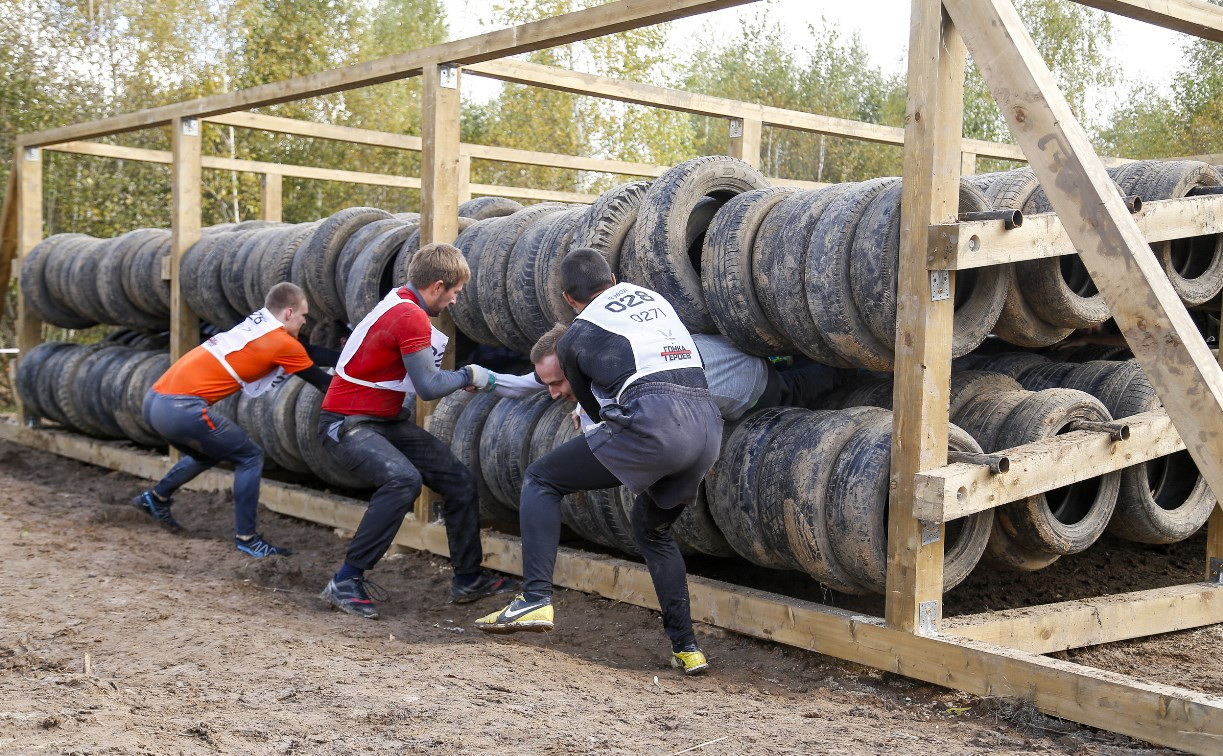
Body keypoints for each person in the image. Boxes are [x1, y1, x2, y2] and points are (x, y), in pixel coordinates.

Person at [475, 248, 723, 676]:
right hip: (707, 425)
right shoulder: (656, 299)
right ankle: (688, 648)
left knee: (541, 480)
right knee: (653, 531)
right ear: (612, 276)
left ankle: (534, 599)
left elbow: (593, 407)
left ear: (569, 300)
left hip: (657, 426)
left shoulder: (575, 336)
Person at [317, 242, 517, 619]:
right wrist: (468, 375)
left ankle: (468, 579)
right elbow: (428, 387)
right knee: (402, 481)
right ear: (438, 286)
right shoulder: (409, 317)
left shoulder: (399, 300)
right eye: (455, 293)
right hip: (346, 424)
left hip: (381, 421)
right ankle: (346, 579)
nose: (455, 302)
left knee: (458, 479)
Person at [132, 282, 334, 557]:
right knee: (250, 457)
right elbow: (323, 383)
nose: (304, 320)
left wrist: (348, 354)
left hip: (154, 401)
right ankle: (248, 538)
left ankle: (154, 499)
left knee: (208, 454)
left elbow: (306, 353)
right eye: (303, 315)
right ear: (288, 313)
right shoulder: (280, 342)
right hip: (180, 409)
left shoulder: (255, 326)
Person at [487, 330, 845, 424]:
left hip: (747, 385)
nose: (552, 393)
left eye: (558, 383)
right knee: (785, 366)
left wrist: (587, 413)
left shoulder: (625, 384)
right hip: (728, 352)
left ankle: (843, 364)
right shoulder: (610, 348)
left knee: (801, 384)